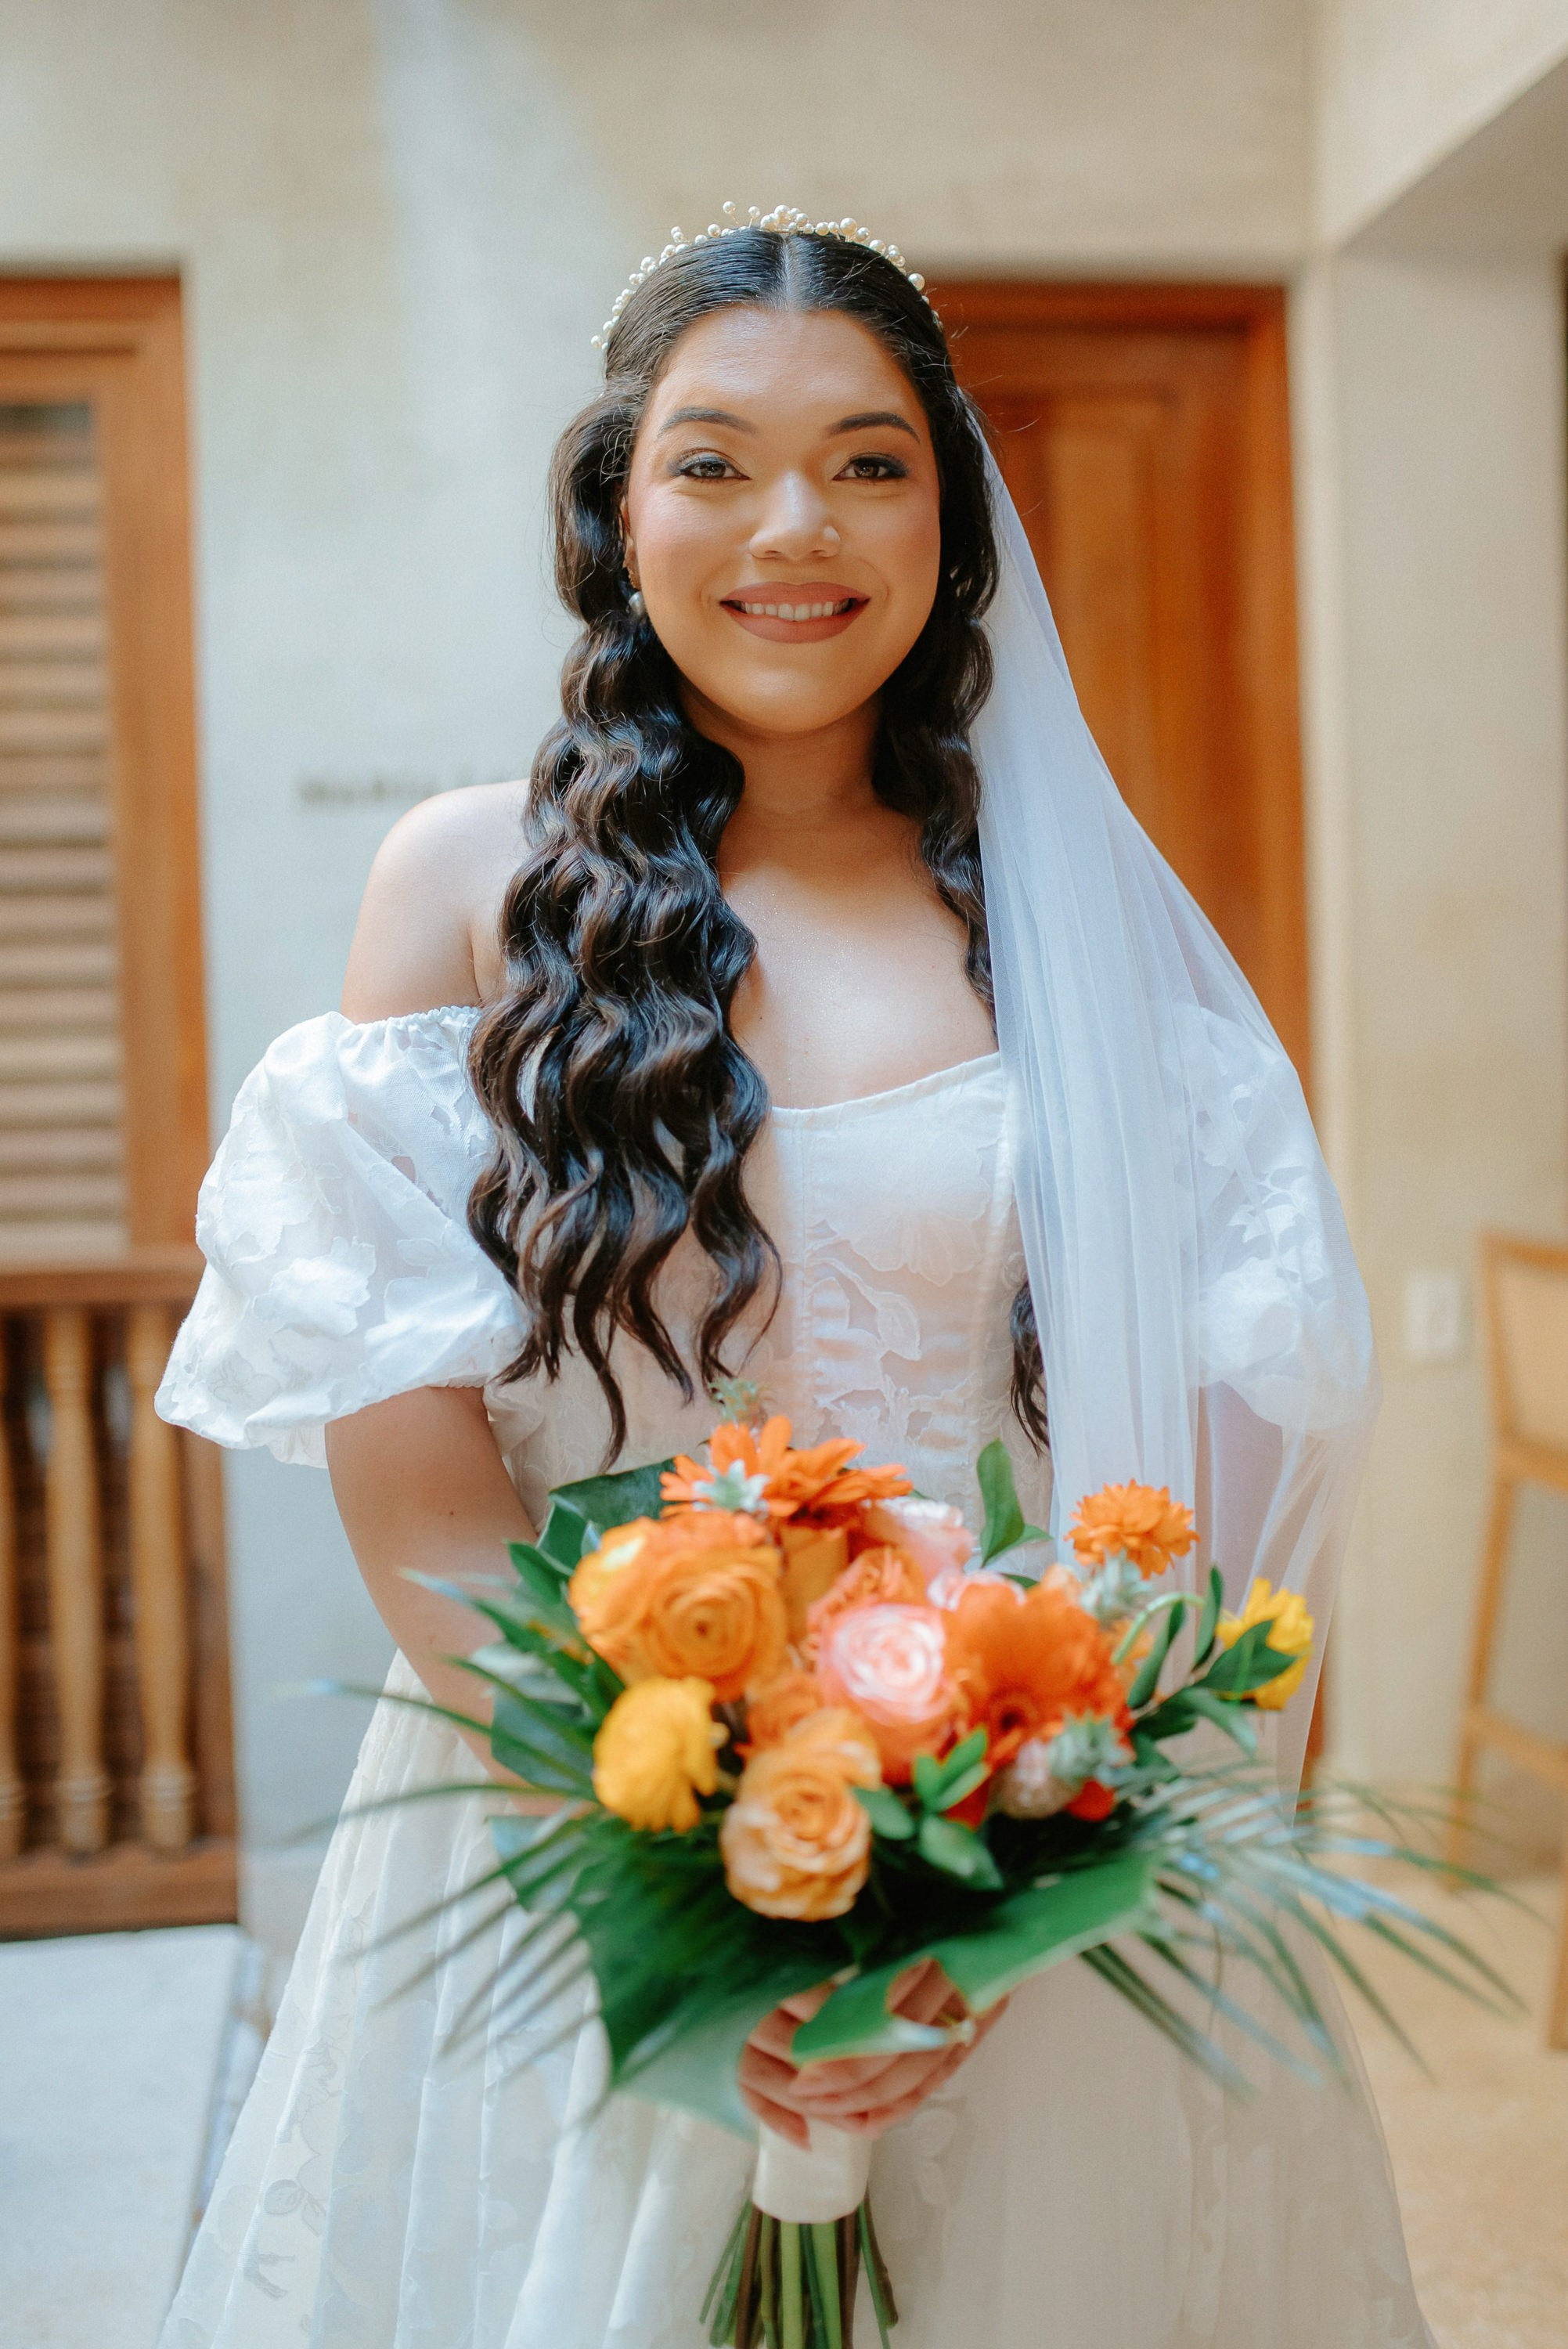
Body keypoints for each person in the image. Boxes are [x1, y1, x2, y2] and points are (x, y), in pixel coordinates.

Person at [157, 213, 1430, 2347]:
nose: (791, 530)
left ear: (947, 513)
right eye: (714, 460)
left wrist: (995, 1894)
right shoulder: (465, 889)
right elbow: (410, 1468)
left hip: (1014, 1848)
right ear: (615, 508)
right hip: (568, 1823)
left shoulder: (1080, 929)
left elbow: (1197, 1500)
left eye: (864, 463)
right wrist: (680, 1888)